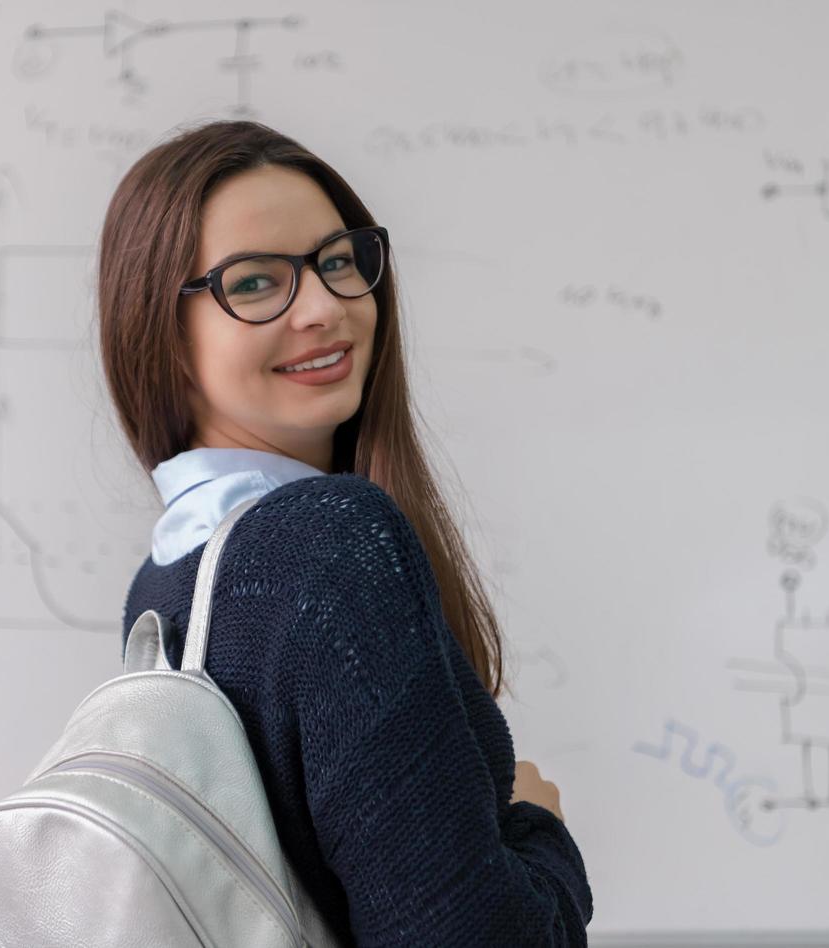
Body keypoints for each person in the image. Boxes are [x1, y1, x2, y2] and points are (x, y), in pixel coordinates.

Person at [96, 118, 593, 946]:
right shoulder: (329, 544)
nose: (324, 308)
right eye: (254, 283)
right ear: (162, 332)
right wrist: (540, 831)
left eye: (336, 262)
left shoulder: (165, 582)